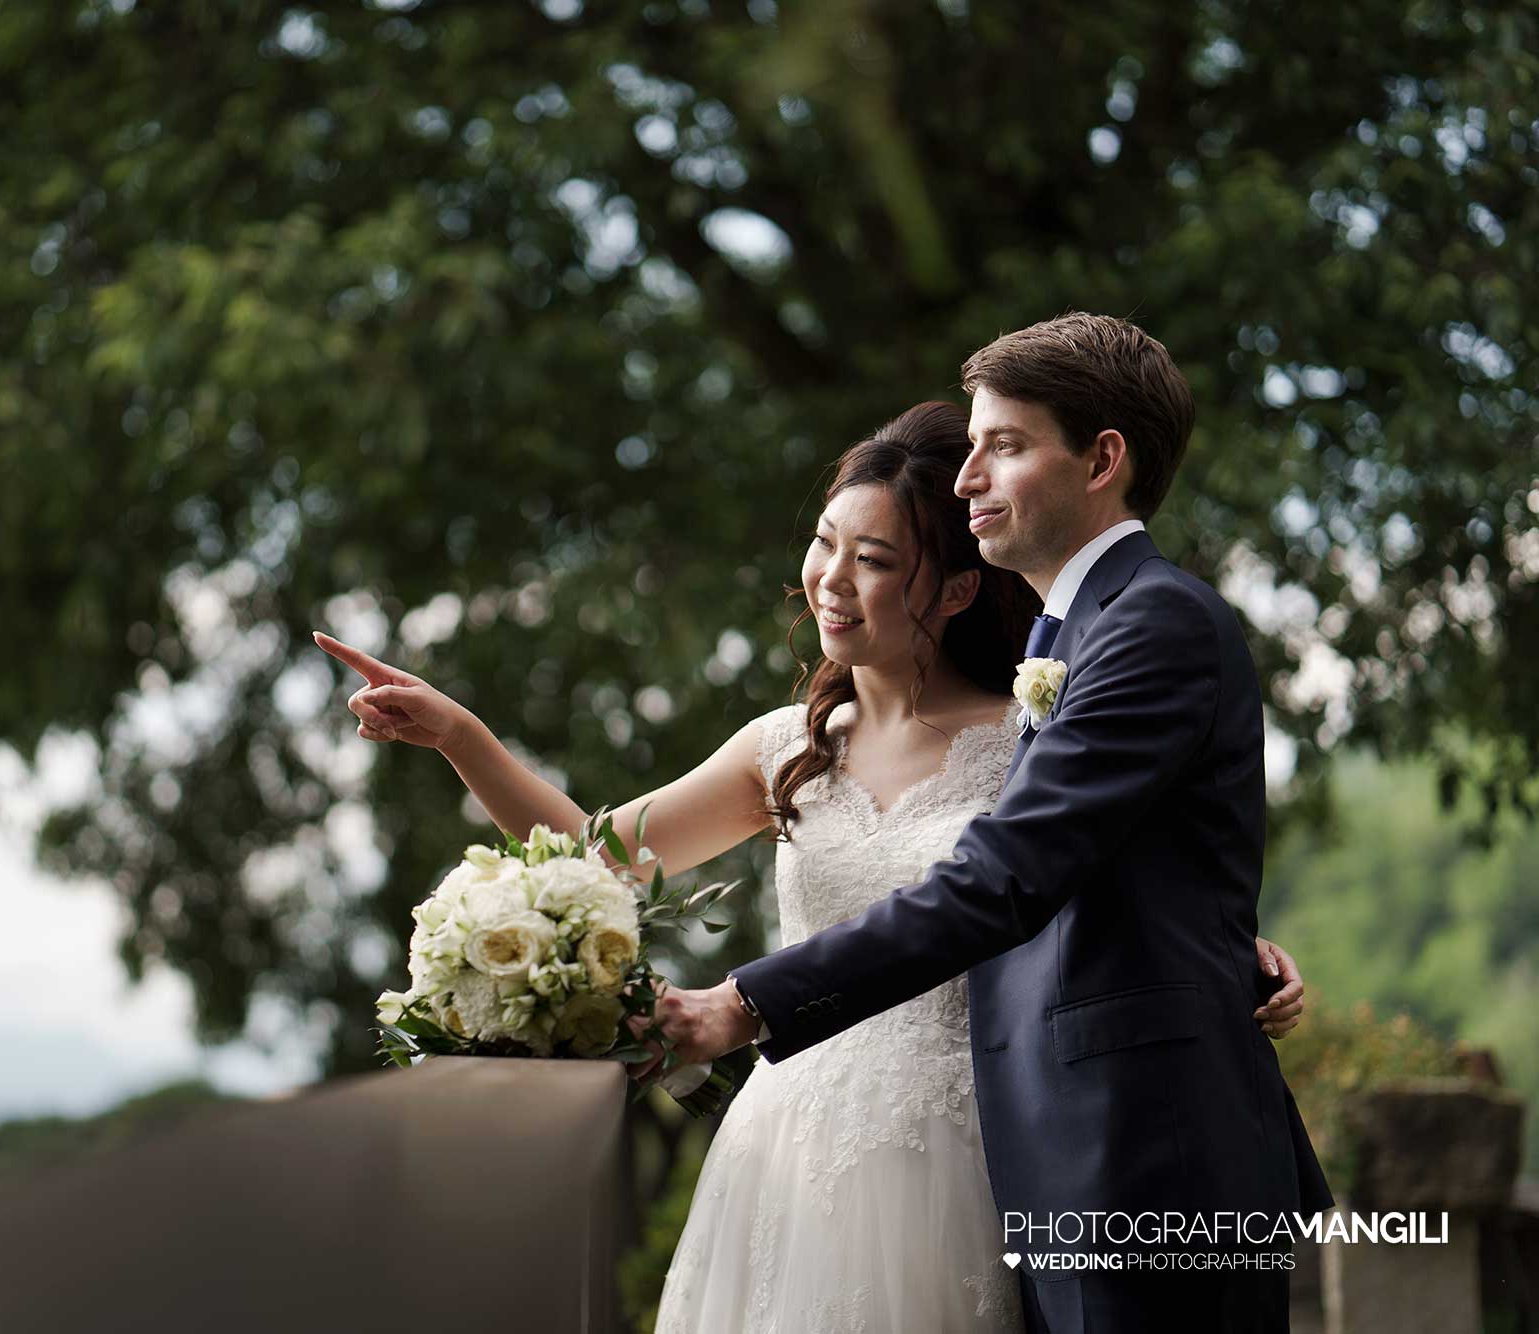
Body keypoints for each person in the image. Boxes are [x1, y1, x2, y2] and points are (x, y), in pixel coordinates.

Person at [316, 390, 1309, 1332]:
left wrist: (1232, 952)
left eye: (873, 558)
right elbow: (593, 857)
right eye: (824, 543)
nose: (832, 579)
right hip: (785, 1139)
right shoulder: (782, 745)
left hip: (970, 1147)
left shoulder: (1030, 730)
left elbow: (1075, 869)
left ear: (959, 585)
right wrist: (461, 737)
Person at [632, 315, 1335, 1333]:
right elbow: (1115, 863)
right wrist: (1224, 946)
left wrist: (744, 1003)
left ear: (1101, 460)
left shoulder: (1152, 623)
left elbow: (1006, 871)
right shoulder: (1075, 640)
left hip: (1143, 1159)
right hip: (1057, 1159)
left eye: (1002, 445)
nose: (965, 479)